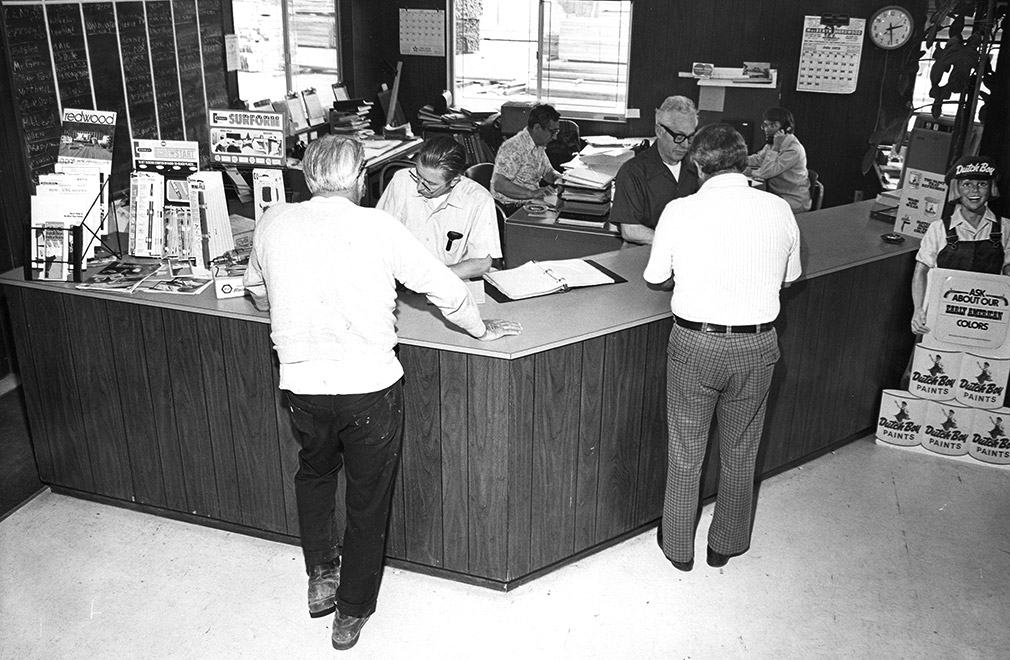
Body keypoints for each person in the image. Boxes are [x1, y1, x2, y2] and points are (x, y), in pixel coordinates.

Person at [242, 135, 522, 651]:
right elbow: (445, 288)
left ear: (307, 178)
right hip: (368, 386)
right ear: (359, 180)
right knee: (369, 498)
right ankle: (351, 612)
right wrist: (480, 329)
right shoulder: (378, 226)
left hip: (302, 383)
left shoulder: (273, 221)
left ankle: (320, 574)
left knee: (315, 471)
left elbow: (257, 292)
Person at [644, 123, 801, 572]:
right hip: (757, 347)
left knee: (686, 449)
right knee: (741, 450)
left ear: (696, 164)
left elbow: (655, 278)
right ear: (745, 158)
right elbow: (791, 277)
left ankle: (677, 547)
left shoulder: (680, 210)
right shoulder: (778, 209)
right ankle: (725, 545)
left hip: (696, 343)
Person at [377, 136, 501, 279]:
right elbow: (378, 237)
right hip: (400, 279)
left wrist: (431, 278)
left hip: (451, 280)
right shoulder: (401, 180)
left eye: (431, 184)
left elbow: (481, 263)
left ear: (454, 180)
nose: (419, 187)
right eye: (418, 176)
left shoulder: (478, 200)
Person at [910, 155, 1009, 335]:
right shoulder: (938, 229)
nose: (975, 191)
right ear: (957, 188)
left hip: (987, 321)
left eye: (982, 184)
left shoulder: (1006, 228)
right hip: (940, 318)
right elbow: (921, 271)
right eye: (967, 184)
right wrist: (918, 310)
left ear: (991, 188)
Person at [610, 95, 700, 245]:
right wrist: (677, 244)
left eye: (690, 137)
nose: (685, 145)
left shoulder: (698, 167)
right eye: (679, 137)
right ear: (659, 131)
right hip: (644, 256)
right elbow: (630, 230)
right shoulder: (633, 172)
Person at [491, 103, 563, 211]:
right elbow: (499, 184)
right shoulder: (513, 148)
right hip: (511, 207)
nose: (555, 137)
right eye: (552, 132)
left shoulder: (538, 145)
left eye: (556, 131)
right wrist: (532, 193)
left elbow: (547, 172)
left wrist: (559, 178)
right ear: (537, 127)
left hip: (530, 202)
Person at [745, 107, 811, 214]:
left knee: (755, 210)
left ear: (786, 128)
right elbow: (758, 159)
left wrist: (775, 148)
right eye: (765, 125)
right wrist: (735, 160)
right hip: (777, 195)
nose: (767, 129)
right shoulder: (772, 143)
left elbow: (767, 172)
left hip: (793, 200)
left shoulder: (793, 149)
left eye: (773, 125)